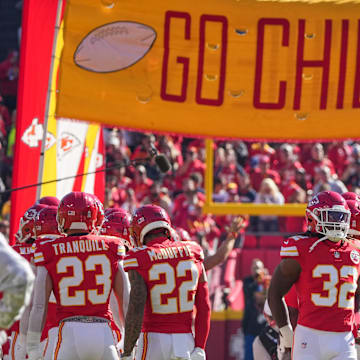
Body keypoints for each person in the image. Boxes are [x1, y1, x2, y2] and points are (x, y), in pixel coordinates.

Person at [27, 192, 129, 360]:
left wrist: (32, 345)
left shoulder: (48, 249)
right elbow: (125, 301)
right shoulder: (112, 245)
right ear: (93, 217)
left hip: (69, 332)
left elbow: (39, 306)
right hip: (103, 332)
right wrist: (129, 338)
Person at [268, 191, 359, 360]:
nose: (337, 222)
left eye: (341, 217)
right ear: (312, 218)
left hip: (344, 338)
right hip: (309, 337)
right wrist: (285, 330)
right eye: (330, 216)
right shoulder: (301, 249)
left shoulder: (354, 251)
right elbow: (274, 292)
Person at [121, 205, 211, 360]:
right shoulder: (193, 252)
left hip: (153, 341)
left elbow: (137, 306)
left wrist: (128, 351)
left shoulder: (139, 257)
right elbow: (204, 307)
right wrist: (200, 347)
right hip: (186, 342)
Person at [242, 258, 268, 360]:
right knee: (249, 356)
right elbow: (252, 294)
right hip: (250, 326)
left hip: (264, 327)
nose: (256, 271)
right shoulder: (247, 282)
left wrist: (265, 281)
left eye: (258, 268)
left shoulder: (267, 282)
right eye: (254, 268)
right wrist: (258, 281)